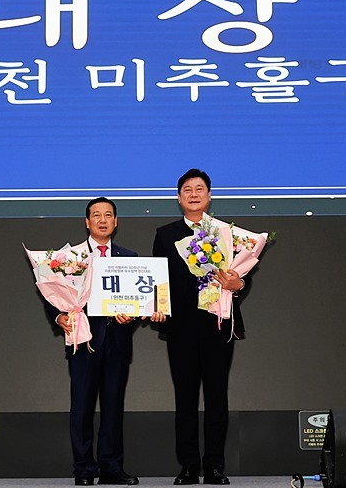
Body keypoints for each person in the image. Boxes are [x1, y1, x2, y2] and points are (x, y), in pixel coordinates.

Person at [44, 197, 163, 486]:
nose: (102, 220)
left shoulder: (129, 258)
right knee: (82, 406)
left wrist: (133, 315)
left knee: (113, 406)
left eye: (108, 215)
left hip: (118, 342)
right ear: (87, 222)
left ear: (116, 221)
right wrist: (59, 317)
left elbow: (141, 298)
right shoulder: (70, 258)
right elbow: (51, 293)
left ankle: (111, 468)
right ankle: (84, 469)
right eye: (96, 215)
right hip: (84, 340)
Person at [152, 169, 249, 486]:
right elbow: (158, 281)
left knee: (217, 396)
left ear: (209, 196)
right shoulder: (165, 234)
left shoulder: (226, 233)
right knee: (185, 398)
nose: (193, 194)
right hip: (180, 327)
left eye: (199, 189)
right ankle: (189, 466)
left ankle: (215, 466)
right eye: (187, 190)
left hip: (218, 324)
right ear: (179, 198)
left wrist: (238, 284)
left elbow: (241, 277)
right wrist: (157, 307)